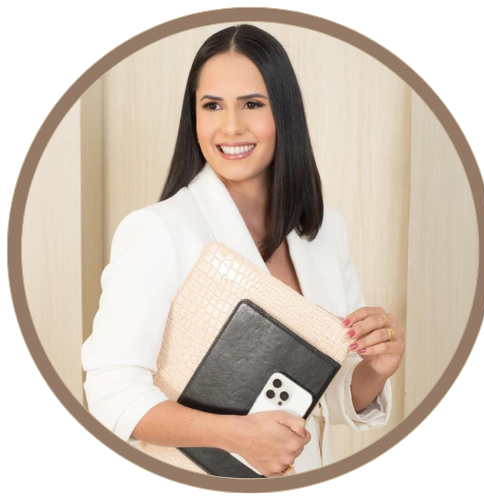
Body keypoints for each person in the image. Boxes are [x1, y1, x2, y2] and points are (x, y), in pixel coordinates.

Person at [81, 24, 405, 478]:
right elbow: (111, 394)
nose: (231, 126)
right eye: (212, 105)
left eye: (252, 104)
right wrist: (236, 436)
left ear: (284, 114)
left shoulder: (326, 231)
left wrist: (377, 368)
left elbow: (321, 393)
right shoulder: (158, 231)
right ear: (193, 118)